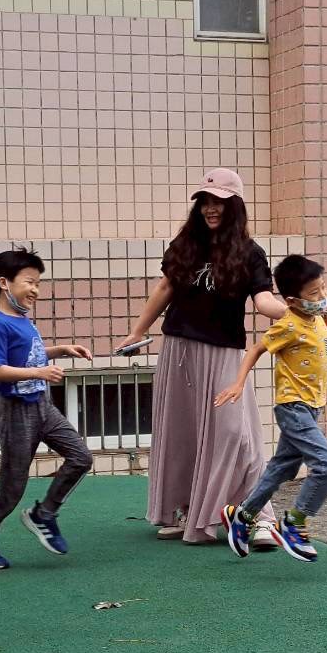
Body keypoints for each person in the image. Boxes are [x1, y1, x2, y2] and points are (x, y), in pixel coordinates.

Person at [116, 168, 288, 546]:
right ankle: (186, 510)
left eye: (219, 202)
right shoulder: (186, 244)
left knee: (237, 434)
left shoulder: (250, 253)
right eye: (205, 201)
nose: (211, 208)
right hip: (178, 350)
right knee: (181, 434)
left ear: (235, 206)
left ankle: (259, 517)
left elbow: (263, 300)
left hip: (223, 353)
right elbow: (166, 287)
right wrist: (138, 331)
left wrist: (296, 313)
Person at [0, 247, 94, 570]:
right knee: (12, 486)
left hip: (42, 406)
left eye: (38, 284)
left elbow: (29, 353)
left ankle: (44, 514)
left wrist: (60, 349)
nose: (36, 290)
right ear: (4, 283)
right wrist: (40, 372)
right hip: (16, 412)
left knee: (81, 457)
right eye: (29, 282)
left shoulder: (22, 319)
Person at [216, 255, 327, 562]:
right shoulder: (288, 325)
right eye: (314, 293)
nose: (321, 297)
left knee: (283, 468)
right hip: (293, 407)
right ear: (292, 300)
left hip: (311, 408)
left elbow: (320, 323)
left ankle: (242, 515)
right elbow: (256, 349)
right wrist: (238, 383)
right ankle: (294, 523)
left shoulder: (316, 318)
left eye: (323, 288)